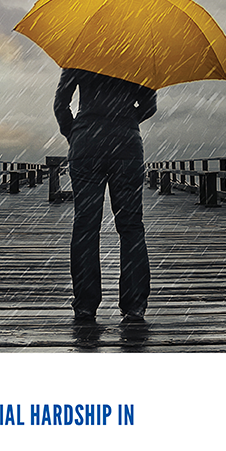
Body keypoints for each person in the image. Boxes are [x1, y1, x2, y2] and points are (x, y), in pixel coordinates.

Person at [53, 67, 157, 323]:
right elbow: (150, 105)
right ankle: (134, 305)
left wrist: (76, 131)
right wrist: (126, 119)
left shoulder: (79, 54)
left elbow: (60, 105)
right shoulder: (138, 57)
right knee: (131, 226)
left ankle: (86, 304)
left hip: (87, 142)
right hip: (127, 145)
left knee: (86, 225)